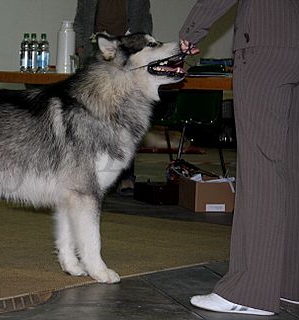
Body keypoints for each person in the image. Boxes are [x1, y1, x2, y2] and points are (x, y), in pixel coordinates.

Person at [179, 0, 299, 315]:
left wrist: (193, 29)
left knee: (261, 169)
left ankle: (251, 291)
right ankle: (289, 285)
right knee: (291, 168)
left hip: (265, 43)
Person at [73, 0, 153, 196]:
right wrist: (81, 49)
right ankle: (94, 173)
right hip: (98, 49)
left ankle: (126, 176)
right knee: (95, 114)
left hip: (128, 51)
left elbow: (145, 20)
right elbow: (80, 21)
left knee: (126, 115)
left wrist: (143, 48)